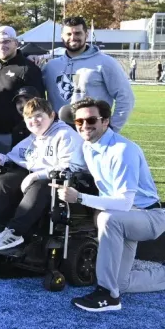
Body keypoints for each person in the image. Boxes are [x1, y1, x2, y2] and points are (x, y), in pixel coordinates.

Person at [58, 98, 165, 312]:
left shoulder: (122, 150)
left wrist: (79, 198)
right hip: (125, 218)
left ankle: (107, 295)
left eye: (91, 120)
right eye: (79, 122)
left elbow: (124, 203)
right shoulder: (89, 146)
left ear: (105, 121)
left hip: (148, 216)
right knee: (121, 283)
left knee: (107, 218)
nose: (84, 126)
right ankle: (115, 288)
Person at [0, 96, 85, 253]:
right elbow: (16, 156)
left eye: (39, 116)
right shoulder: (34, 137)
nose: (34, 121)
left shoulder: (65, 135)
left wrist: (35, 176)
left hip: (61, 183)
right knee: (6, 180)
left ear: (52, 115)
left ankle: (15, 232)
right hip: (36, 178)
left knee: (40, 185)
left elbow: (69, 167)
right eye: (29, 118)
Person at [42, 16, 135, 133]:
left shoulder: (105, 62)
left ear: (86, 34)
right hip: (59, 134)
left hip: (92, 131)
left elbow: (126, 97)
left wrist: (111, 128)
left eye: (77, 33)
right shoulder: (50, 66)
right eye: (68, 34)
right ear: (62, 36)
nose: (73, 37)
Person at [0, 26, 44, 153]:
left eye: (6, 41)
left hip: (15, 135)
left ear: (16, 43)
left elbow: (37, 105)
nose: (1, 46)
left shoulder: (28, 69)